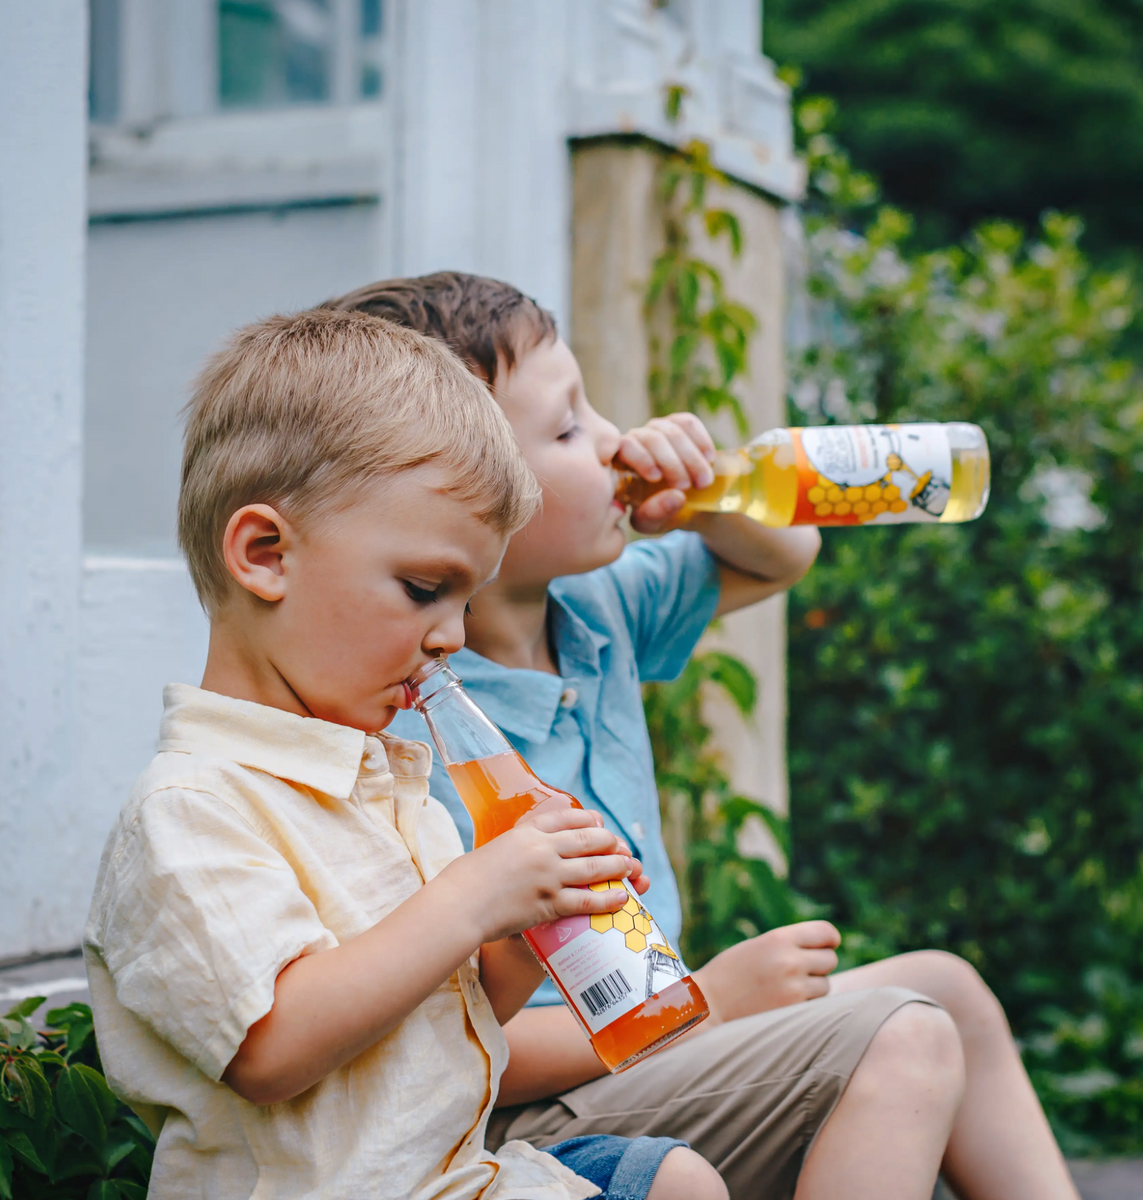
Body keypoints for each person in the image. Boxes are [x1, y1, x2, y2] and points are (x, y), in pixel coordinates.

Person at [328, 272, 1082, 1200]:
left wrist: (697, 495)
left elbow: (782, 551)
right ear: (464, 505)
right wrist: (710, 1004)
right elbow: (458, 1051)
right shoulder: (415, 721)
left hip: (654, 1045)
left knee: (950, 991)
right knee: (904, 1033)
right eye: (568, 429)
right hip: (521, 1111)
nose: (611, 442)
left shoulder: (594, 606)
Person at [82, 309, 729, 1200]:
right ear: (264, 554)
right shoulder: (193, 809)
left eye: (465, 601)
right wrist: (474, 897)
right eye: (426, 589)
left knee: (678, 1183)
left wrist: (526, 934)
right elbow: (271, 1049)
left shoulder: (394, 791)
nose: (450, 637)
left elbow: (445, 1028)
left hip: (460, 1177)